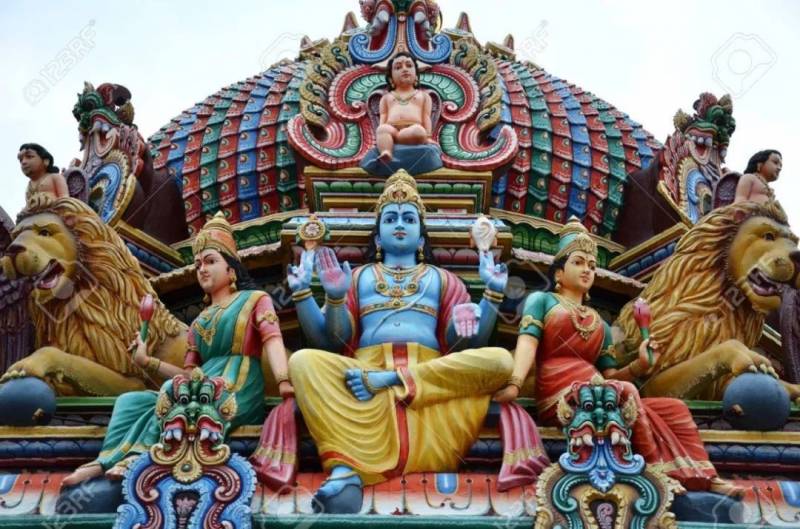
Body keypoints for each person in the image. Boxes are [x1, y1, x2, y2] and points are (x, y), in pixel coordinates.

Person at [287, 170, 548, 512]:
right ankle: (346, 470)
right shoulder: (359, 277)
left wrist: (492, 295)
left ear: (422, 240)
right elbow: (333, 341)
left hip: (428, 377)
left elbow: (465, 346)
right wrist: (323, 295)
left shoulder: (443, 279)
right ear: (377, 238)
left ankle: (392, 383)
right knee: (302, 362)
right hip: (364, 376)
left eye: (409, 219)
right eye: (391, 219)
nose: (400, 224)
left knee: (499, 360)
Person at [494, 217, 741, 496]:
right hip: (559, 394)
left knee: (674, 408)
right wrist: (515, 383)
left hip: (603, 391)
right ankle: (657, 472)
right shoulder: (542, 301)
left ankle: (704, 476)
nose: (587, 270)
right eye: (578, 262)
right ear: (559, 274)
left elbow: (611, 375)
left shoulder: (599, 322)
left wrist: (640, 364)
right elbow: (527, 343)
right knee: (626, 392)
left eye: (592, 266)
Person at [61, 212, 293, 485]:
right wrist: (146, 360)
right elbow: (188, 374)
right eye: (198, 264)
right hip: (200, 383)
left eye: (210, 261)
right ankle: (104, 460)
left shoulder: (255, 299)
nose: (202, 269)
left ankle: (138, 456)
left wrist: (284, 381)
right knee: (132, 401)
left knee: (186, 395)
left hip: (237, 382)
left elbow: (273, 340)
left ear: (231, 270)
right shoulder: (198, 322)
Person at [376, 53, 436, 163]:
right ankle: (386, 152)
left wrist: (428, 137)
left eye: (409, 65)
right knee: (382, 129)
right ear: (391, 78)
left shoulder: (423, 96)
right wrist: (379, 135)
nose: (404, 69)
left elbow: (426, 117)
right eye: (398, 67)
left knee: (419, 131)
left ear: (416, 75)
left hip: (412, 130)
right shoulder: (386, 98)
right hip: (392, 130)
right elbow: (383, 118)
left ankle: (393, 142)